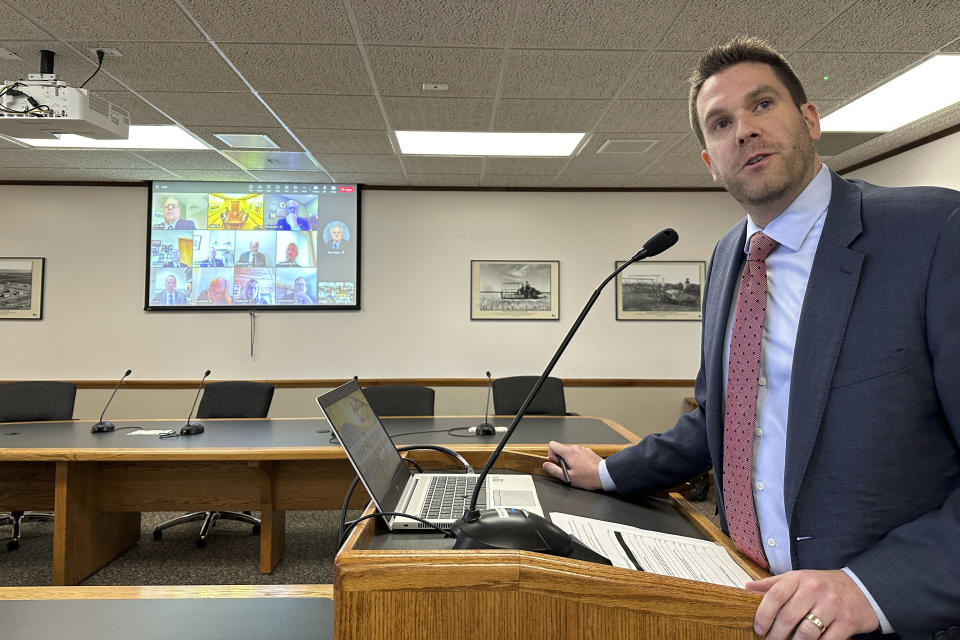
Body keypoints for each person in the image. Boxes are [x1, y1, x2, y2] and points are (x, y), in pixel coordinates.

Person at [544, 37, 960, 639]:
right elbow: (722, 417)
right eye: (721, 122)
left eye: (762, 105)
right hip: (745, 601)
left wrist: (872, 588)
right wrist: (606, 475)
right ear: (711, 160)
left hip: (886, 620)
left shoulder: (930, 232)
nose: (743, 129)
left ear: (811, 120)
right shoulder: (727, 258)